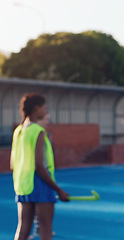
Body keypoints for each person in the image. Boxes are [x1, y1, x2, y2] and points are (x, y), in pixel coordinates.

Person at [11, 93, 69, 240]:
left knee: (23, 230)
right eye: (45, 108)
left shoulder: (18, 131)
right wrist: (59, 190)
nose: (46, 111)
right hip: (40, 184)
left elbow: (13, 164)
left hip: (23, 185)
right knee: (46, 231)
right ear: (37, 108)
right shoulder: (38, 131)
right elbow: (39, 165)